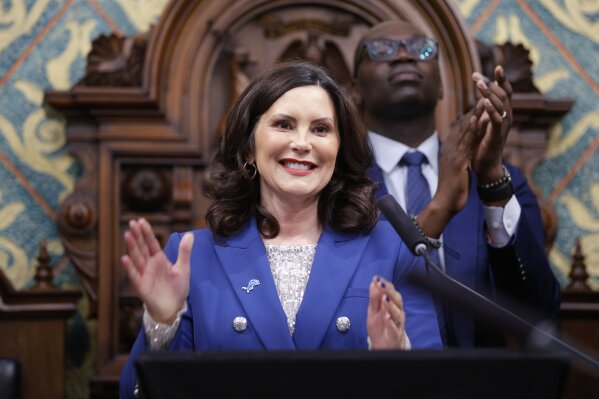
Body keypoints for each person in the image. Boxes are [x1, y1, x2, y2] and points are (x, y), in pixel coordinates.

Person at [119, 59, 481, 398]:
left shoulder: (393, 248)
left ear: (338, 150)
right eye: (284, 125)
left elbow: (433, 387)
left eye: (321, 129)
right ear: (248, 147)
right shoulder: (191, 255)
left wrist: (393, 355)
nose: (303, 143)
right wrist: (162, 323)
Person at [352, 20, 561, 347]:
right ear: (355, 89)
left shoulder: (500, 182)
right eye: (382, 50)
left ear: (442, 86)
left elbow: (538, 311)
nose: (405, 57)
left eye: (422, 50)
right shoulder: (337, 184)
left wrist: (492, 181)